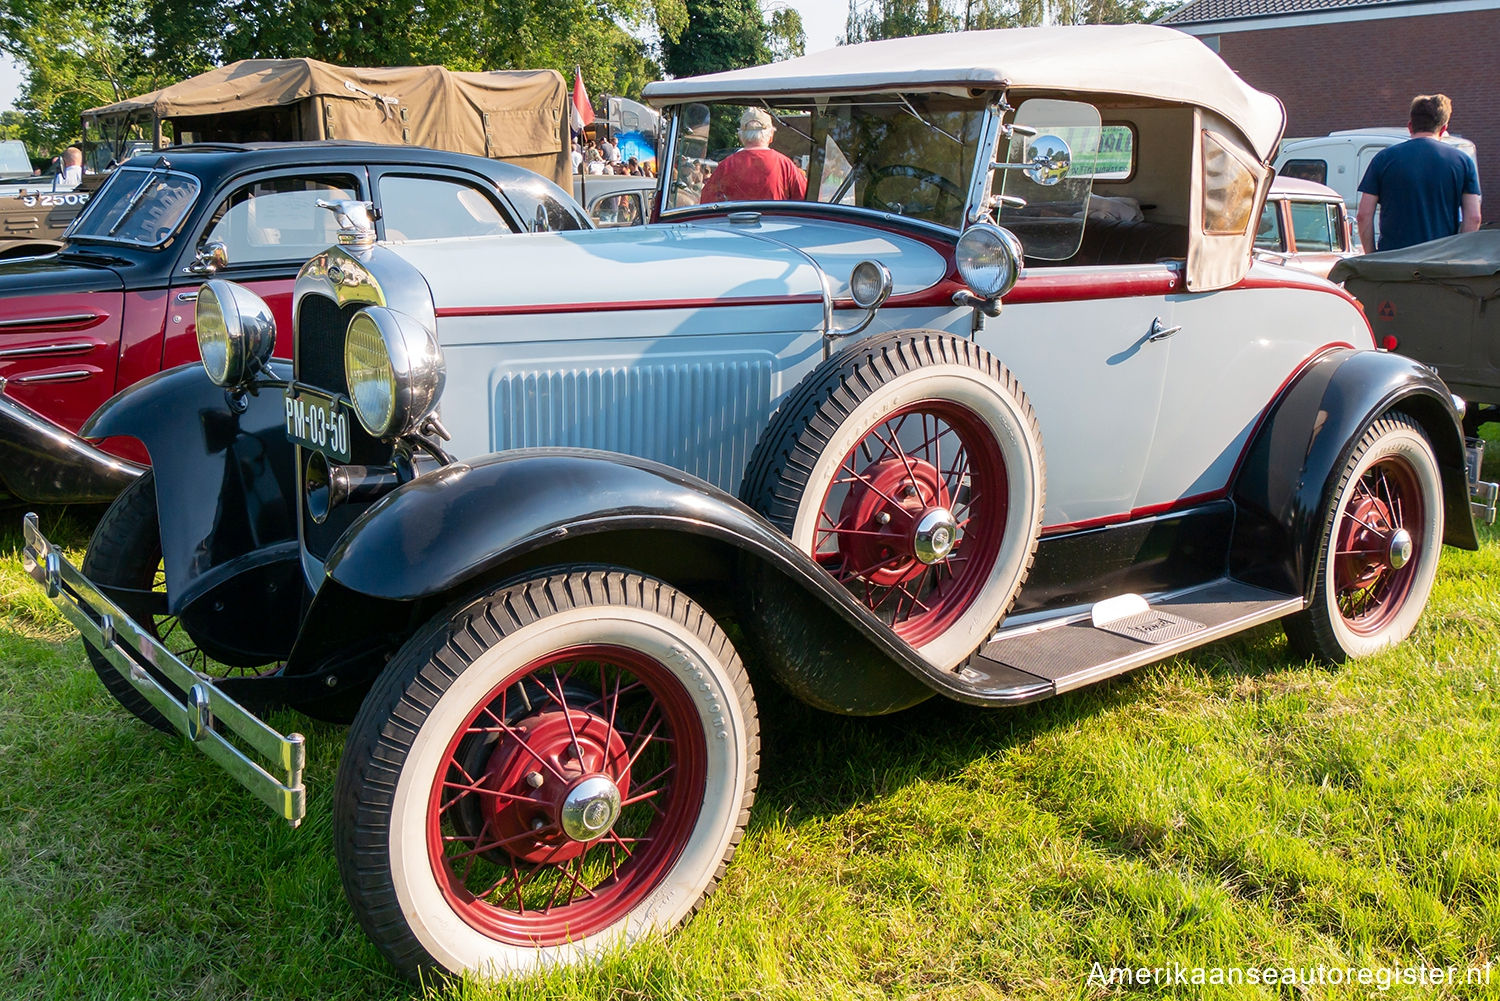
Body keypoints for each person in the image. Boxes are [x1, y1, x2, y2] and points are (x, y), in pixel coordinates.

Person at [1356, 94, 1481, 252]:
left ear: (1410, 126)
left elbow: (1363, 215)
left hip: (1391, 261)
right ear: (1443, 128)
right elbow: (1474, 217)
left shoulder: (1383, 159)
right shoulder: (1463, 162)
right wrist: (1458, 255)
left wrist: (1371, 255)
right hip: (1441, 260)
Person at [698, 107, 806, 204]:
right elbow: (806, 200)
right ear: (771, 135)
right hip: (775, 224)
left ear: (741, 136)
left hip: (736, 225)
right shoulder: (785, 165)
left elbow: (706, 202)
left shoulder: (726, 165)